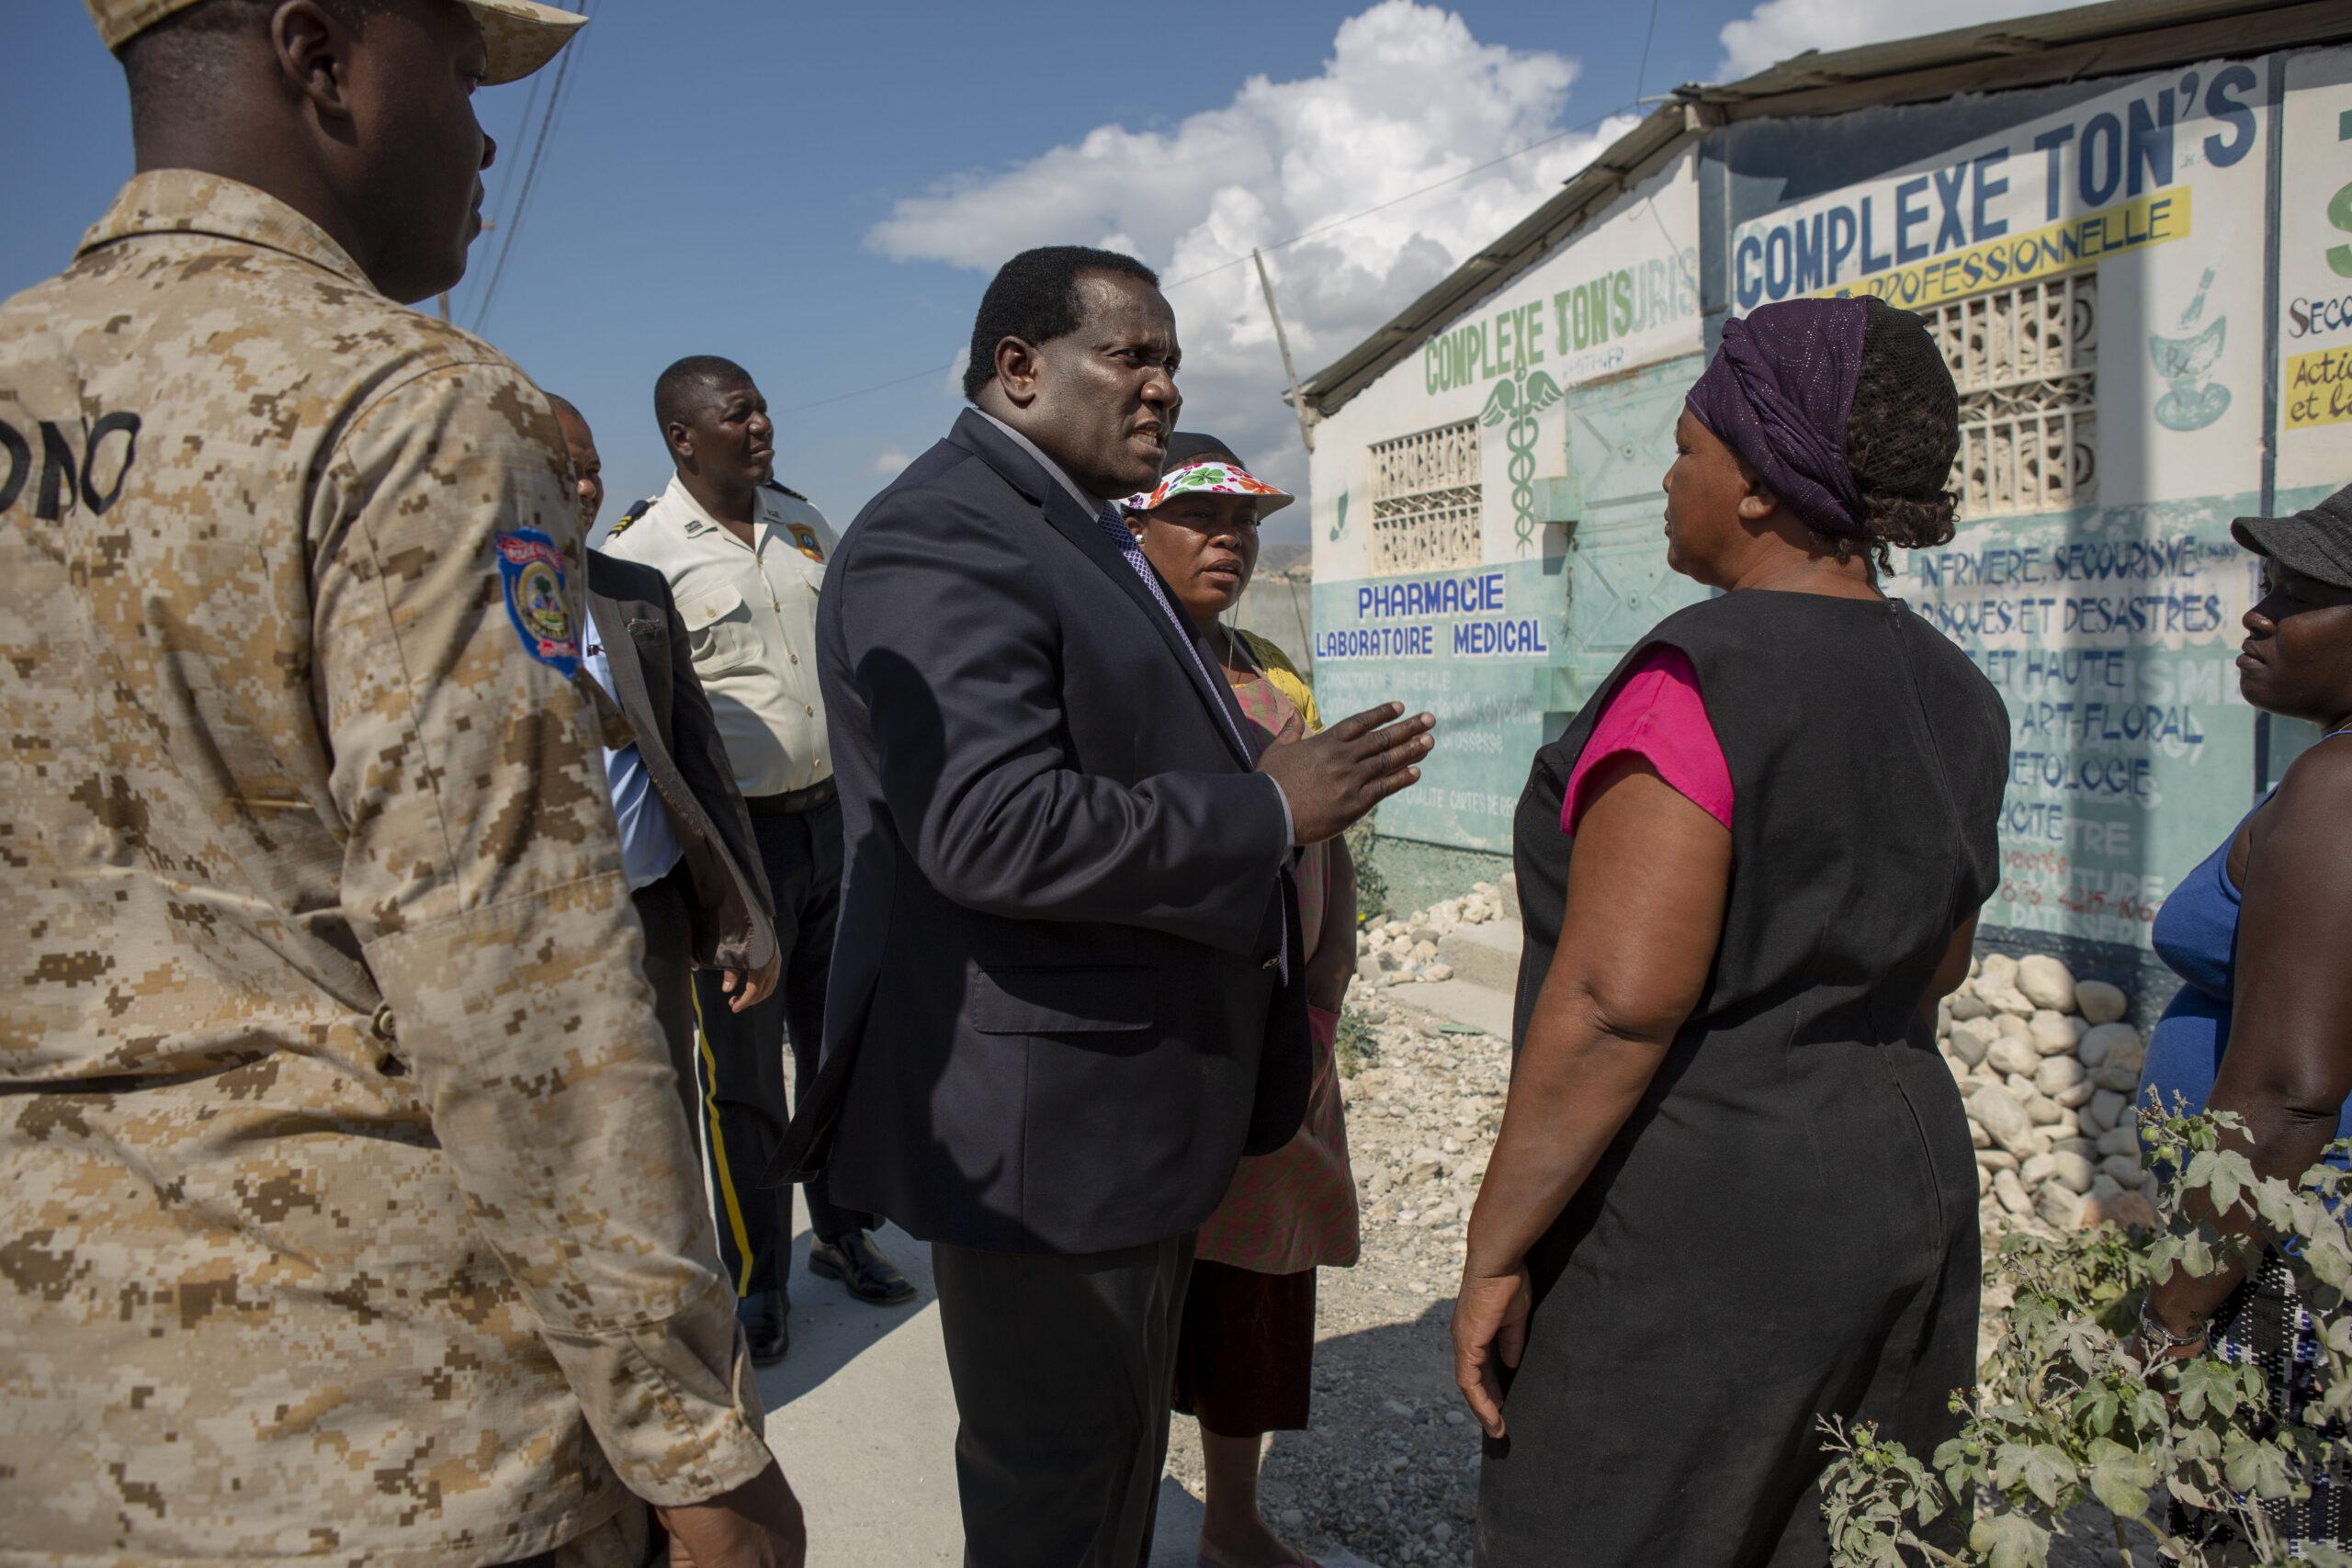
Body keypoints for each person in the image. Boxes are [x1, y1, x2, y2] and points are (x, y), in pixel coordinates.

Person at [0, 4, 802, 1566]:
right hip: (375, 1427)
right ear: (319, 57)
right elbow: (513, 966)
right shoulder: (411, 407)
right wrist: (692, 1440)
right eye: (458, 68)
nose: (488, 131)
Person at [775, 245, 1433, 1568]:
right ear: (1018, 369)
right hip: (1044, 1134)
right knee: (1058, 1486)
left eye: (1172, 358)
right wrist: (1264, 807)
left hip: (1123, 1117)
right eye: (1132, 356)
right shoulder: (945, 533)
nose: (1162, 387)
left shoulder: (1073, 526)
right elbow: (989, 823)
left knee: (1114, 1458)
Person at [1451, 297, 2008, 1566]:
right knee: (1845, 1532)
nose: (1668, 476)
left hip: (1703, 1218)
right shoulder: (1956, 688)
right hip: (1906, 1179)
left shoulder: (1699, 673)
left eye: (1689, 446)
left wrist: (1496, 1244)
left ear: (1758, 482)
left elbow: (1614, 1002)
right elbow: (1940, 962)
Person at [605, 355, 912, 1365]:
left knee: (840, 1047)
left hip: (836, 824)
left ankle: (842, 1235)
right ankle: (756, 1280)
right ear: (682, 437)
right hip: (738, 847)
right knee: (743, 1074)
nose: (762, 423)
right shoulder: (644, 554)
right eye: (737, 414)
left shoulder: (805, 525)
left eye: (763, 405)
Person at [1124, 434, 1360, 1568]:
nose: (1229, 540)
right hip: (1149, 1045)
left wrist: (1322, 1000)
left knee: (1255, 1287)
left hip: (1274, 1033)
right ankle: (1110, 1515)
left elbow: (1329, 856)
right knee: (1130, 1293)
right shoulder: (1116, 669)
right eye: (1200, 517)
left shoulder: (1274, 678)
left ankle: (1230, 1519)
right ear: (1134, 527)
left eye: (1246, 522)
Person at [2135, 482, 2352, 1552]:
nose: (2255, 615)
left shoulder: (2338, 789)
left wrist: (2173, 1318)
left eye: (2296, 593)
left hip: (2282, 1283)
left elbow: (2284, 1094)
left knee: (2263, 1530)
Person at [551, 395, 783, 1139]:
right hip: (534, 936)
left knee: (664, 1133)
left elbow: (700, 760)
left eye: (592, 472)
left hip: (646, 917)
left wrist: (749, 917)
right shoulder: (454, 600)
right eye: (565, 470)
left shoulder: (633, 590)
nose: (586, 489)